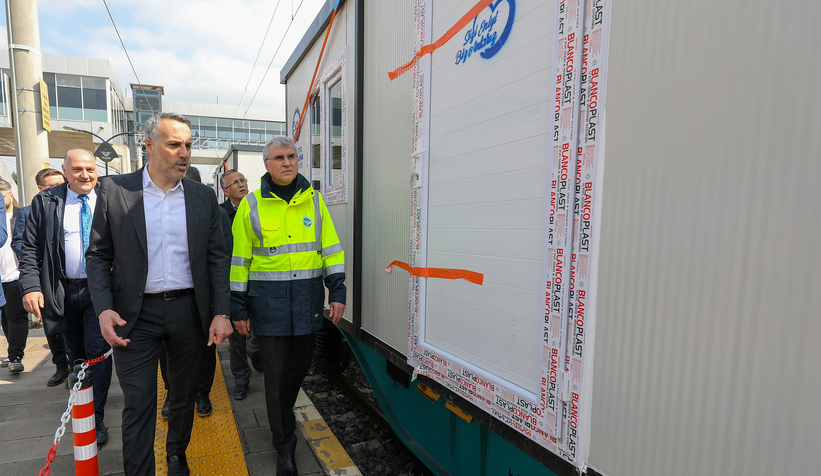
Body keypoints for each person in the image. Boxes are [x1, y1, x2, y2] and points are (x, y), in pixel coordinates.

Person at [86, 112, 232, 476]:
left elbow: (217, 258)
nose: (183, 153)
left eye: (188, 145)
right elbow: (98, 255)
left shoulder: (201, 197)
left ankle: (177, 454)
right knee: (139, 402)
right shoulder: (116, 190)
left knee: (182, 396)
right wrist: (103, 309)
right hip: (134, 317)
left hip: (188, 313)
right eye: (173, 145)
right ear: (149, 146)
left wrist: (222, 312)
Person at [230, 136, 346, 476]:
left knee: (299, 369)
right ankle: (285, 447)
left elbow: (332, 251)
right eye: (279, 157)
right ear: (267, 164)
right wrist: (238, 307)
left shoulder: (314, 201)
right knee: (277, 381)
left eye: (292, 156)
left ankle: (277, 404)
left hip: (307, 303)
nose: (287, 162)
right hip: (268, 307)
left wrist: (337, 291)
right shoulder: (250, 206)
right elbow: (239, 262)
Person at [18, 150, 112, 445]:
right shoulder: (46, 202)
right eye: (77, 169)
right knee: (76, 355)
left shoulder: (111, 196)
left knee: (98, 356)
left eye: (90, 169)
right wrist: (31, 286)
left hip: (100, 291)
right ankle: (82, 404)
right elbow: (30, 248)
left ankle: (95, 418)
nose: (85, 175)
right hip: (63, 290)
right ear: (64, 170)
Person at [156, 165, 232, 420]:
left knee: (205, 346)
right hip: (167, 296)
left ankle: (202, 392)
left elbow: (223, 255)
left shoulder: (215, 212)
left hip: (203, 295)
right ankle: (172, 392)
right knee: (166, 350)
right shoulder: (159, 210)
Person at [10, 169, 72, 386]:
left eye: (59, 183)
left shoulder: (71, 206)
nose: (56, 189)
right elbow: (19, 243)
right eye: (50, 186)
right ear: (40, 189)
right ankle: (61, 366)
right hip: (46, 278)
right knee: (53, 326)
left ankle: (77, 367)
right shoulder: (28, 212)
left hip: (70, 277)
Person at [220, 168, 262, 402]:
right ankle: (241, 379)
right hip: (233, 282)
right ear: (226, 191)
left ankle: (256, 355)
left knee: (260, 329)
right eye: (235, 182)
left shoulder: (259, 207)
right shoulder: (220, 213)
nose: (241, 184)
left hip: (258, 279)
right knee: (237, 335)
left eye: (243, 180)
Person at [0, 180, 27, 374]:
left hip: (17, 274)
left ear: (10, 195)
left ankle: (16, 355)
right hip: (0, 277)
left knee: (16, 316)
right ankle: (12, 353)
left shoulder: (21, 215)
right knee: (5, 318)